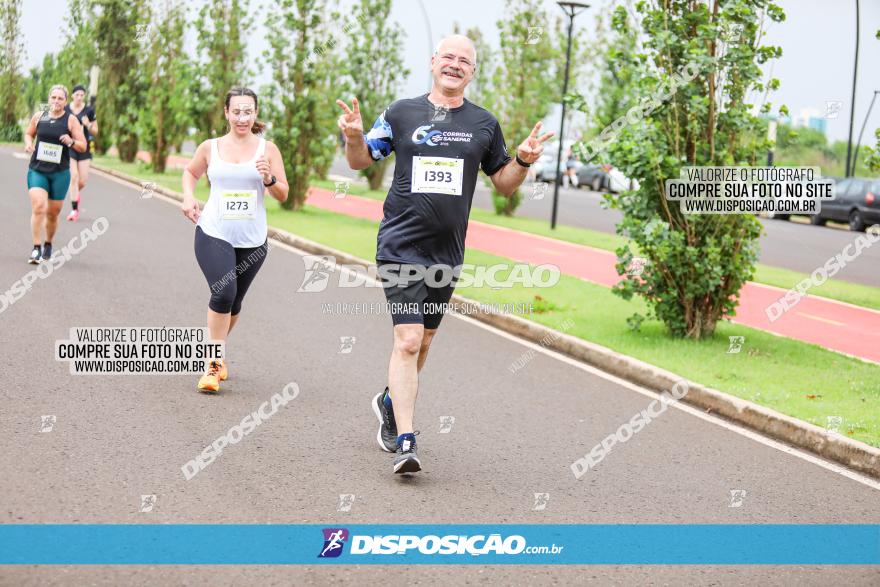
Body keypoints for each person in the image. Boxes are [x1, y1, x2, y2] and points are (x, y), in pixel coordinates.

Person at [337, 34, 553, 474]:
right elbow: (361, 162)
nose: (455, 65)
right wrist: (355, 137)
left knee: (426, 341)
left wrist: (525, 161)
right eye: (448, 57)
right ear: (433, 61)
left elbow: (504, 183)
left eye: (465, 61)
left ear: (473, 71)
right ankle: (407, 440)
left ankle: (388, 400)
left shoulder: (484, 124)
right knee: (408, 339)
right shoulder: (401, 112)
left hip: (447, 251)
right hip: (399, 244)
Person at [181, 87, 289, 393]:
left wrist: (269, 179)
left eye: (248, 111)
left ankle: (217, 352)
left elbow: (283, 193)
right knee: (224, 292)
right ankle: (213, 365)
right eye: (236, 111)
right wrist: (189, 198)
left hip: (252, 239)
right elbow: (190, 173)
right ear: (226, 113)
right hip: (213, 230)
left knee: (235, 302)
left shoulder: (268, 150)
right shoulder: (210, 147)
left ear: (255, 114)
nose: (242, 117)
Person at [23, 85, 87, 264]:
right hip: (37, 170)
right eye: (53, 97)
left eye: (60, 98)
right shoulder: (39, 116)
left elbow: (83, 146)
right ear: (49, 98)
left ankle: (48, 243)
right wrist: (29, 143)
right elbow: (29, 133)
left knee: (53, 213)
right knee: (38, 207)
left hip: (60, 173)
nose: (56, 101)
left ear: (65, 102)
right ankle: (36, 248)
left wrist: (71, 141)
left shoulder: (70, 120)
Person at [64, 84, 98, 221]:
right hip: (70, 146)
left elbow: (95, 131)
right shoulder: (66, 109)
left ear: (84, 96)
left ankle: (74, 192)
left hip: (84, 147)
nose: (79, 97)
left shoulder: (89, 111)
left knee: (82, 181)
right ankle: (74, 210)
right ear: (72, 96)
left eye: (81, 95)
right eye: (76, 95)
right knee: (74, 177)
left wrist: (88, 124)